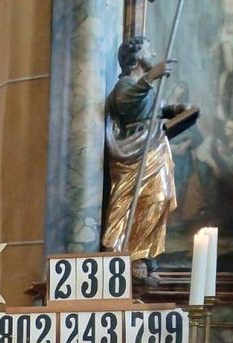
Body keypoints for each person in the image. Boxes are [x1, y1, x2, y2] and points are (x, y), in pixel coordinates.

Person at [102, 36, 194, 284]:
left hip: (153, 146)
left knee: (160, 198)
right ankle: (131, 256)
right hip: (134, 150)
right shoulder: (125, 84)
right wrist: (152, 75)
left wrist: (174, 110)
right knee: (142, 200)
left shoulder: (145, 86)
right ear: (134, 56)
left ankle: (143, 253)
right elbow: (125, 103)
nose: (152, 52)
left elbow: (153, 108)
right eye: (148, 49)